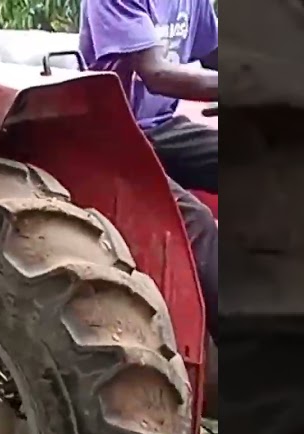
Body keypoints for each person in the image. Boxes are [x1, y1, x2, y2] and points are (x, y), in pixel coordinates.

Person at [79, 0, 219, 328]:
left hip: (159, 125)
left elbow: (215, 54)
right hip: (110, 135)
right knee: (195, 220)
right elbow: (156, 74)